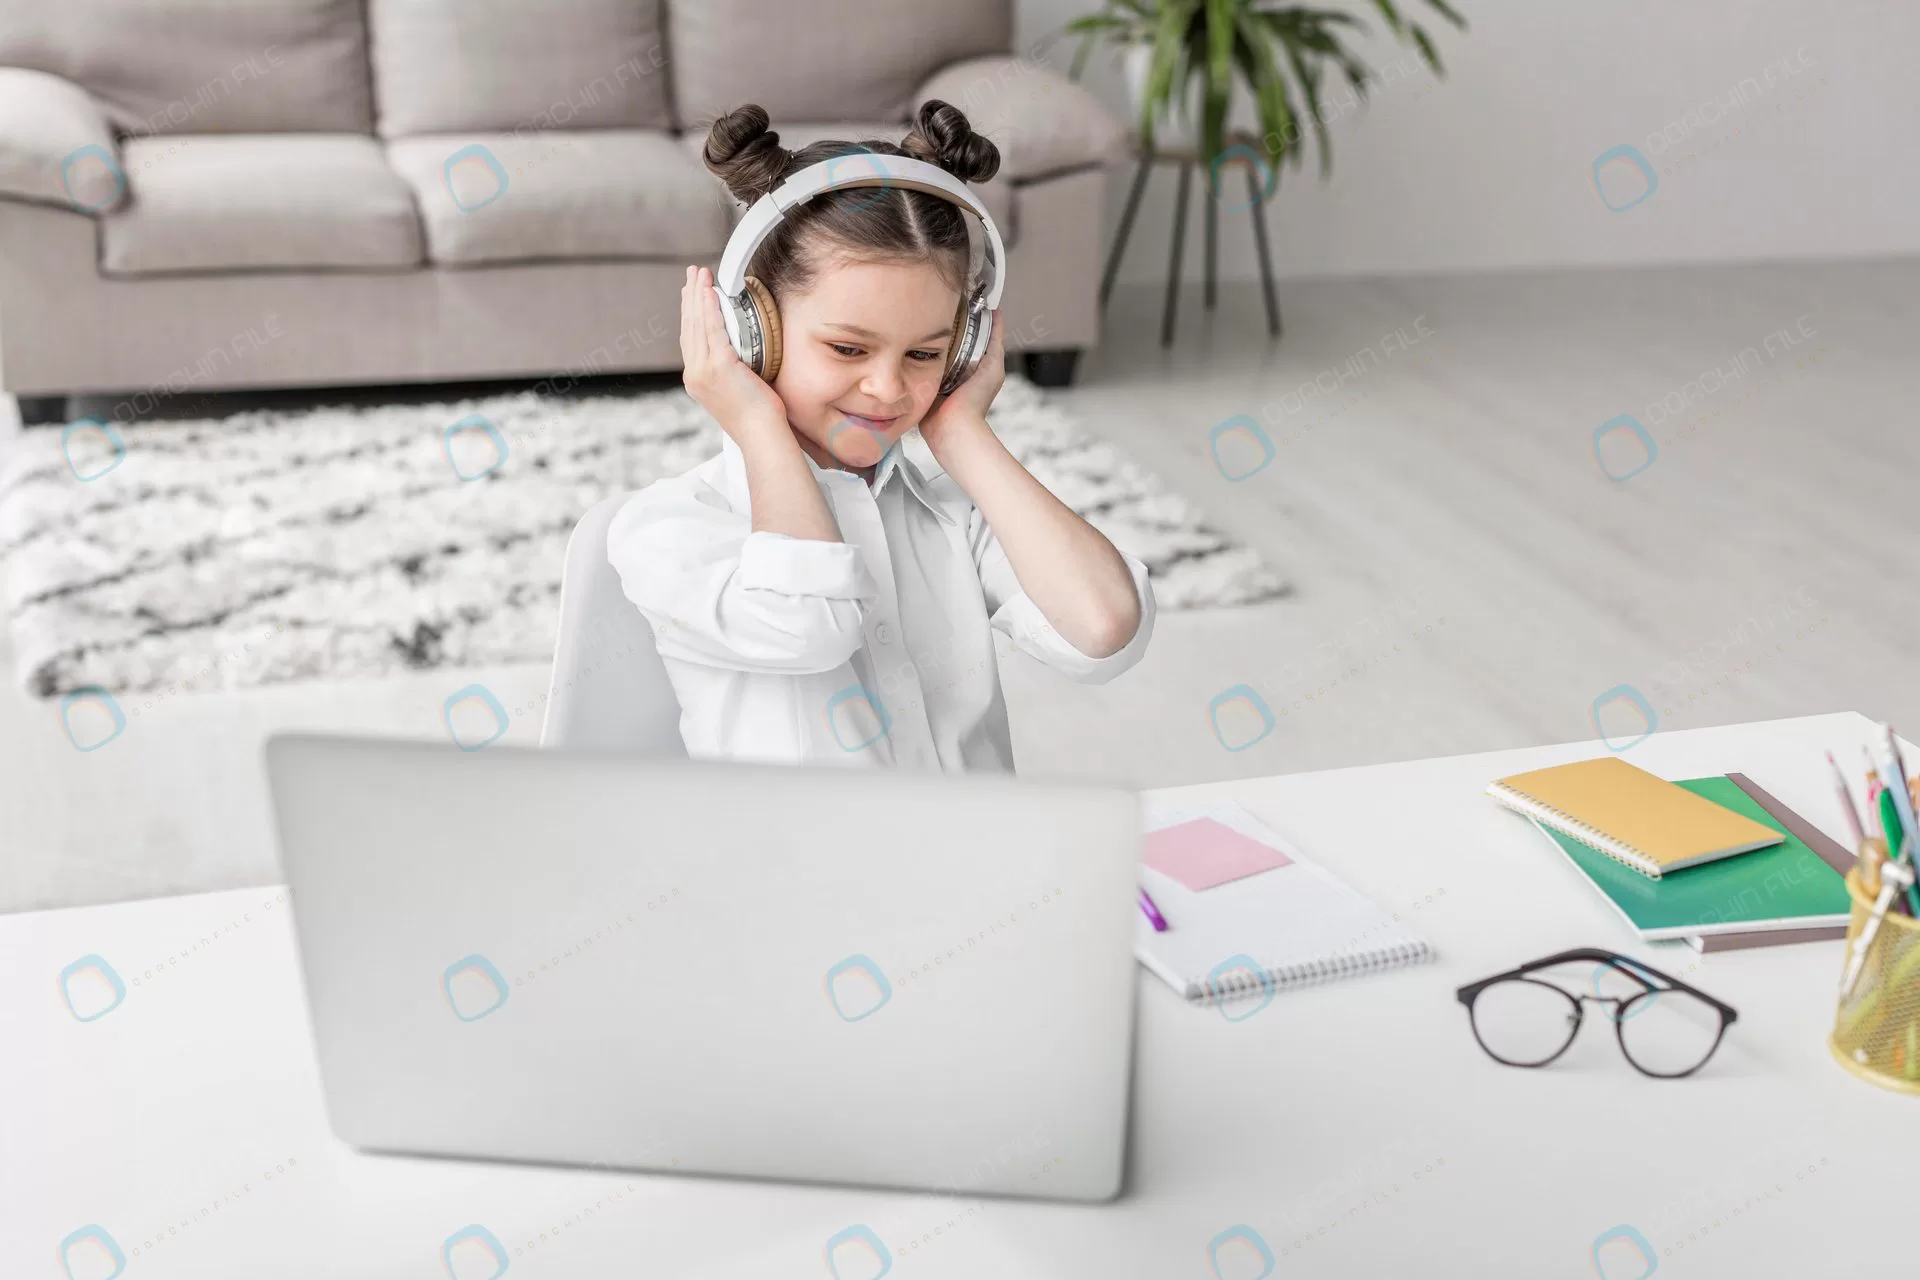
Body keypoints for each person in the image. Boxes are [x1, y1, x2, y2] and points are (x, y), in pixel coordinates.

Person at [607, 100, 1155, 772]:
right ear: (751, 331)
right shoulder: (673, 530)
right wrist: (756, 422)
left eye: (926, 355)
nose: (889, 390)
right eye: (846, 348)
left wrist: (963, 434)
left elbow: (1103, 630)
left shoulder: (955, 515)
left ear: (966, 348)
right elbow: (810, 622)